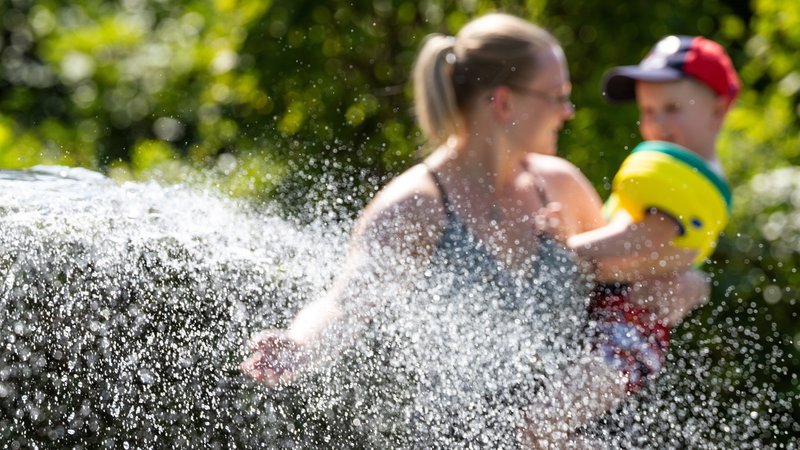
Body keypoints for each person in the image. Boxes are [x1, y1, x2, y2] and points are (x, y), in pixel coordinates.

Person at [241, 14, 708, 448]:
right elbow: (346, 302)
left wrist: (687, 285)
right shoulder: (416, 208)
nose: (567, 110)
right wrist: (300, 343)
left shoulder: (561, 187)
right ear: (504, 101)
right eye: (555, 95)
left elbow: (627, 278)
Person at [566, 35, 741, 285]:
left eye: (672, 108)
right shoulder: (680, 179)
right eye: (648, 110)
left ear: (717, 111)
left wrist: (565, 252)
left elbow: (648, 237)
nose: (656, 123)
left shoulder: (684, 179)